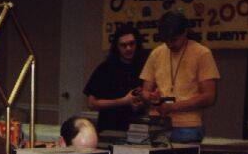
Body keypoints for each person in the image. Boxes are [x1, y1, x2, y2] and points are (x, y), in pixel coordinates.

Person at [140, 10, 220, 143]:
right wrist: (152, 98)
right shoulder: (156, 53)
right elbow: (145, 91)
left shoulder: (202, 53)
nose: (169, 44)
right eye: (166, 40)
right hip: (158, 122)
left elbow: (209, 97)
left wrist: (172, 107)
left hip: (187, 125)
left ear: (185, 32)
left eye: (174, 40)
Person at [83, 25, 147, 132]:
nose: (128, 48)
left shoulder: (144, 66)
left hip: (137, 128)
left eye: (132, 44)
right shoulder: (105, 69)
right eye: (123, 45)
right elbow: (91, 103)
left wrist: (141, 103)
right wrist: (123, 101)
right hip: (110, 128)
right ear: (117, 47)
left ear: (137, 44)